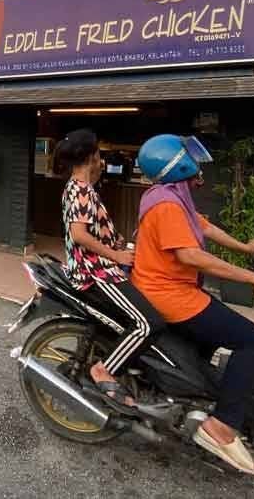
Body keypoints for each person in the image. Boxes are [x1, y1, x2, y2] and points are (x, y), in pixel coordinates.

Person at [131, 133, 254, 476]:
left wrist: (246, 249)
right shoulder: (168, 205)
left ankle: (204, 400)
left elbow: (205, 226)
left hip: (178, 291)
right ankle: (221, 426)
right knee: (252, 340)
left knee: (218, 338)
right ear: (178, 165)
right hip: (170, 295)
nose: (200, 170)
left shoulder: (173, 196)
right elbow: (192, 255)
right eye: (193, 163)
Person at [54, 129, 165, 411]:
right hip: (96, 272)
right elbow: (79, 234)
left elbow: (92, 231)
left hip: (104, 267)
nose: (101, 160)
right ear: (92, 157)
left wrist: (119, 243)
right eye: (99, 155)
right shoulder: (79, 189)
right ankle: (104, 370)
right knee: (148, 322)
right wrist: (115, 254)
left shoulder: (84, 188)